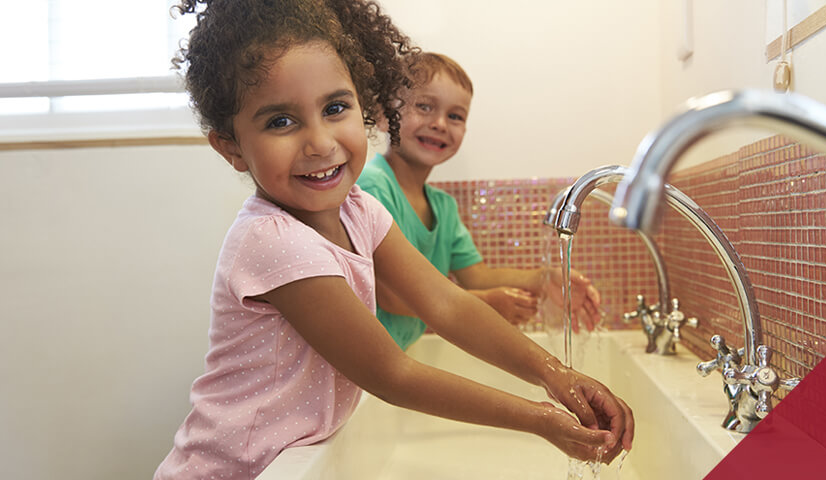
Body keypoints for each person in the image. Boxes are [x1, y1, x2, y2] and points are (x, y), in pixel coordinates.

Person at [154, 1, 633, 478]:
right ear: (232, 146)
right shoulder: (274, 242)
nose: (321, 142)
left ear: (366, 105)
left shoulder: (359, 209)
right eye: (281, 121)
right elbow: (391, 373)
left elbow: (446, 302)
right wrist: (540, 419)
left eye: (335, 107)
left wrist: (556, 375)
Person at [357, 52, 603, 351]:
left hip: (393, 360)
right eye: (424, 106)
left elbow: (476, 275)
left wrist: (542, 280)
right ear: (383, 115)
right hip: (361, 365)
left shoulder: (443, 207)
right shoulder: (372, 186)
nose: (440, 123)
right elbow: (390, 294)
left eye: (455, 116)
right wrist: (485, 303)